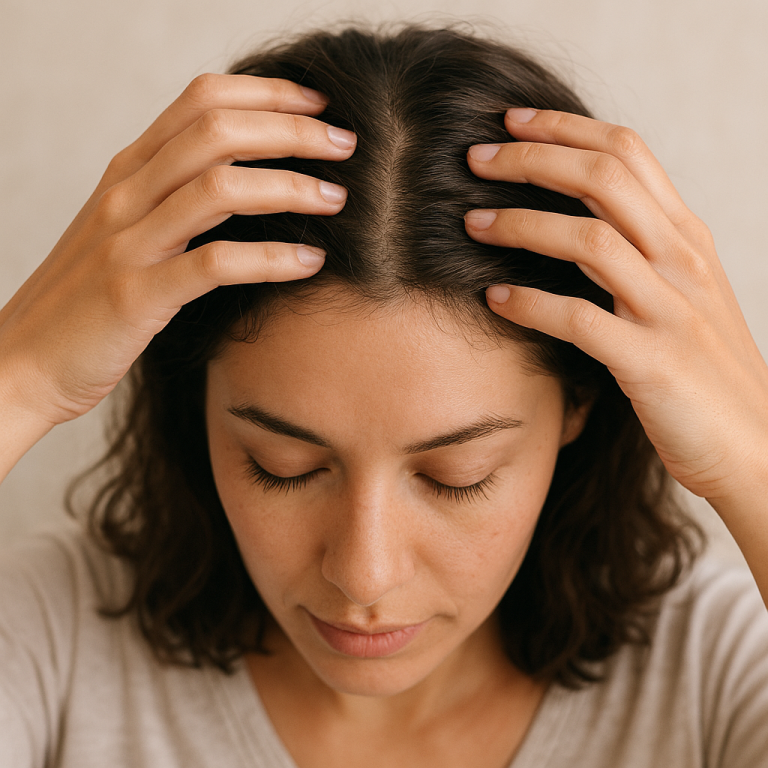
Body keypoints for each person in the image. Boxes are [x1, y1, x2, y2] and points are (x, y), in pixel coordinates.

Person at [1, 23, 768, 768]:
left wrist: (754, 461)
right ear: (193, 400)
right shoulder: (50, 637)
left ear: (580, 406)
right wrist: (21, 376)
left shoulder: (714, 674)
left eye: (456, 477)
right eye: (283, 464)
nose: (363, 575)